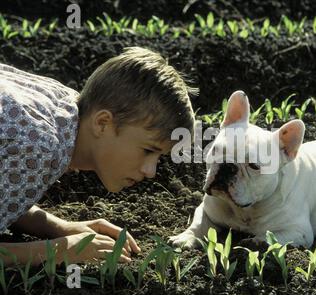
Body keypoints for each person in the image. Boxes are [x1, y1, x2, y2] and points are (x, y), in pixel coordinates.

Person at [0, 47, 196, 266]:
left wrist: (58, 227)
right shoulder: (40, 148)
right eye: (148, 150)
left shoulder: (61, 107)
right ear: (102, 123)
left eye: (159, 157)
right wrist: (59, 250)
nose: (150, 170)